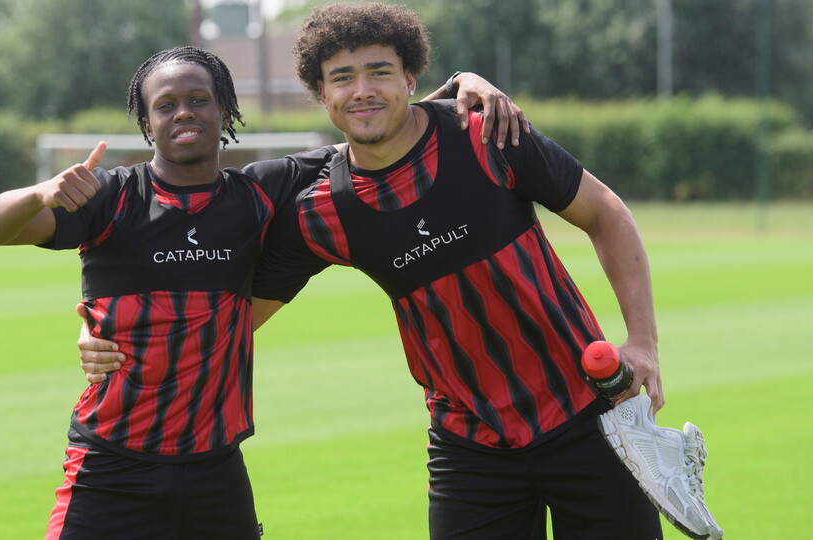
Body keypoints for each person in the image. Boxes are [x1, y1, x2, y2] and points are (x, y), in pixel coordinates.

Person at [77, 4, 726, 539]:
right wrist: (117, 341)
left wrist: (642, 340)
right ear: (321, 93)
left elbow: (606, 213)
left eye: (379, 71)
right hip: (469, 446)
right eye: (343, 77)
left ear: (411, 77)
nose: (363, 90)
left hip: (589, 420)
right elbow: (230, 318)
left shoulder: (487, 134)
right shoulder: (321, 210)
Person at [0, 44, 524, 539]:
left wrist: (458, 87)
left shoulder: (261, 191)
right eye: (165, 105)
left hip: (216, 471)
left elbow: (381, 133)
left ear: (225, 111)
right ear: (146, 122)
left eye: (198, 100)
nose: (183, 112)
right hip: (110, 464)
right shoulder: (111, 198)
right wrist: (40, 192)